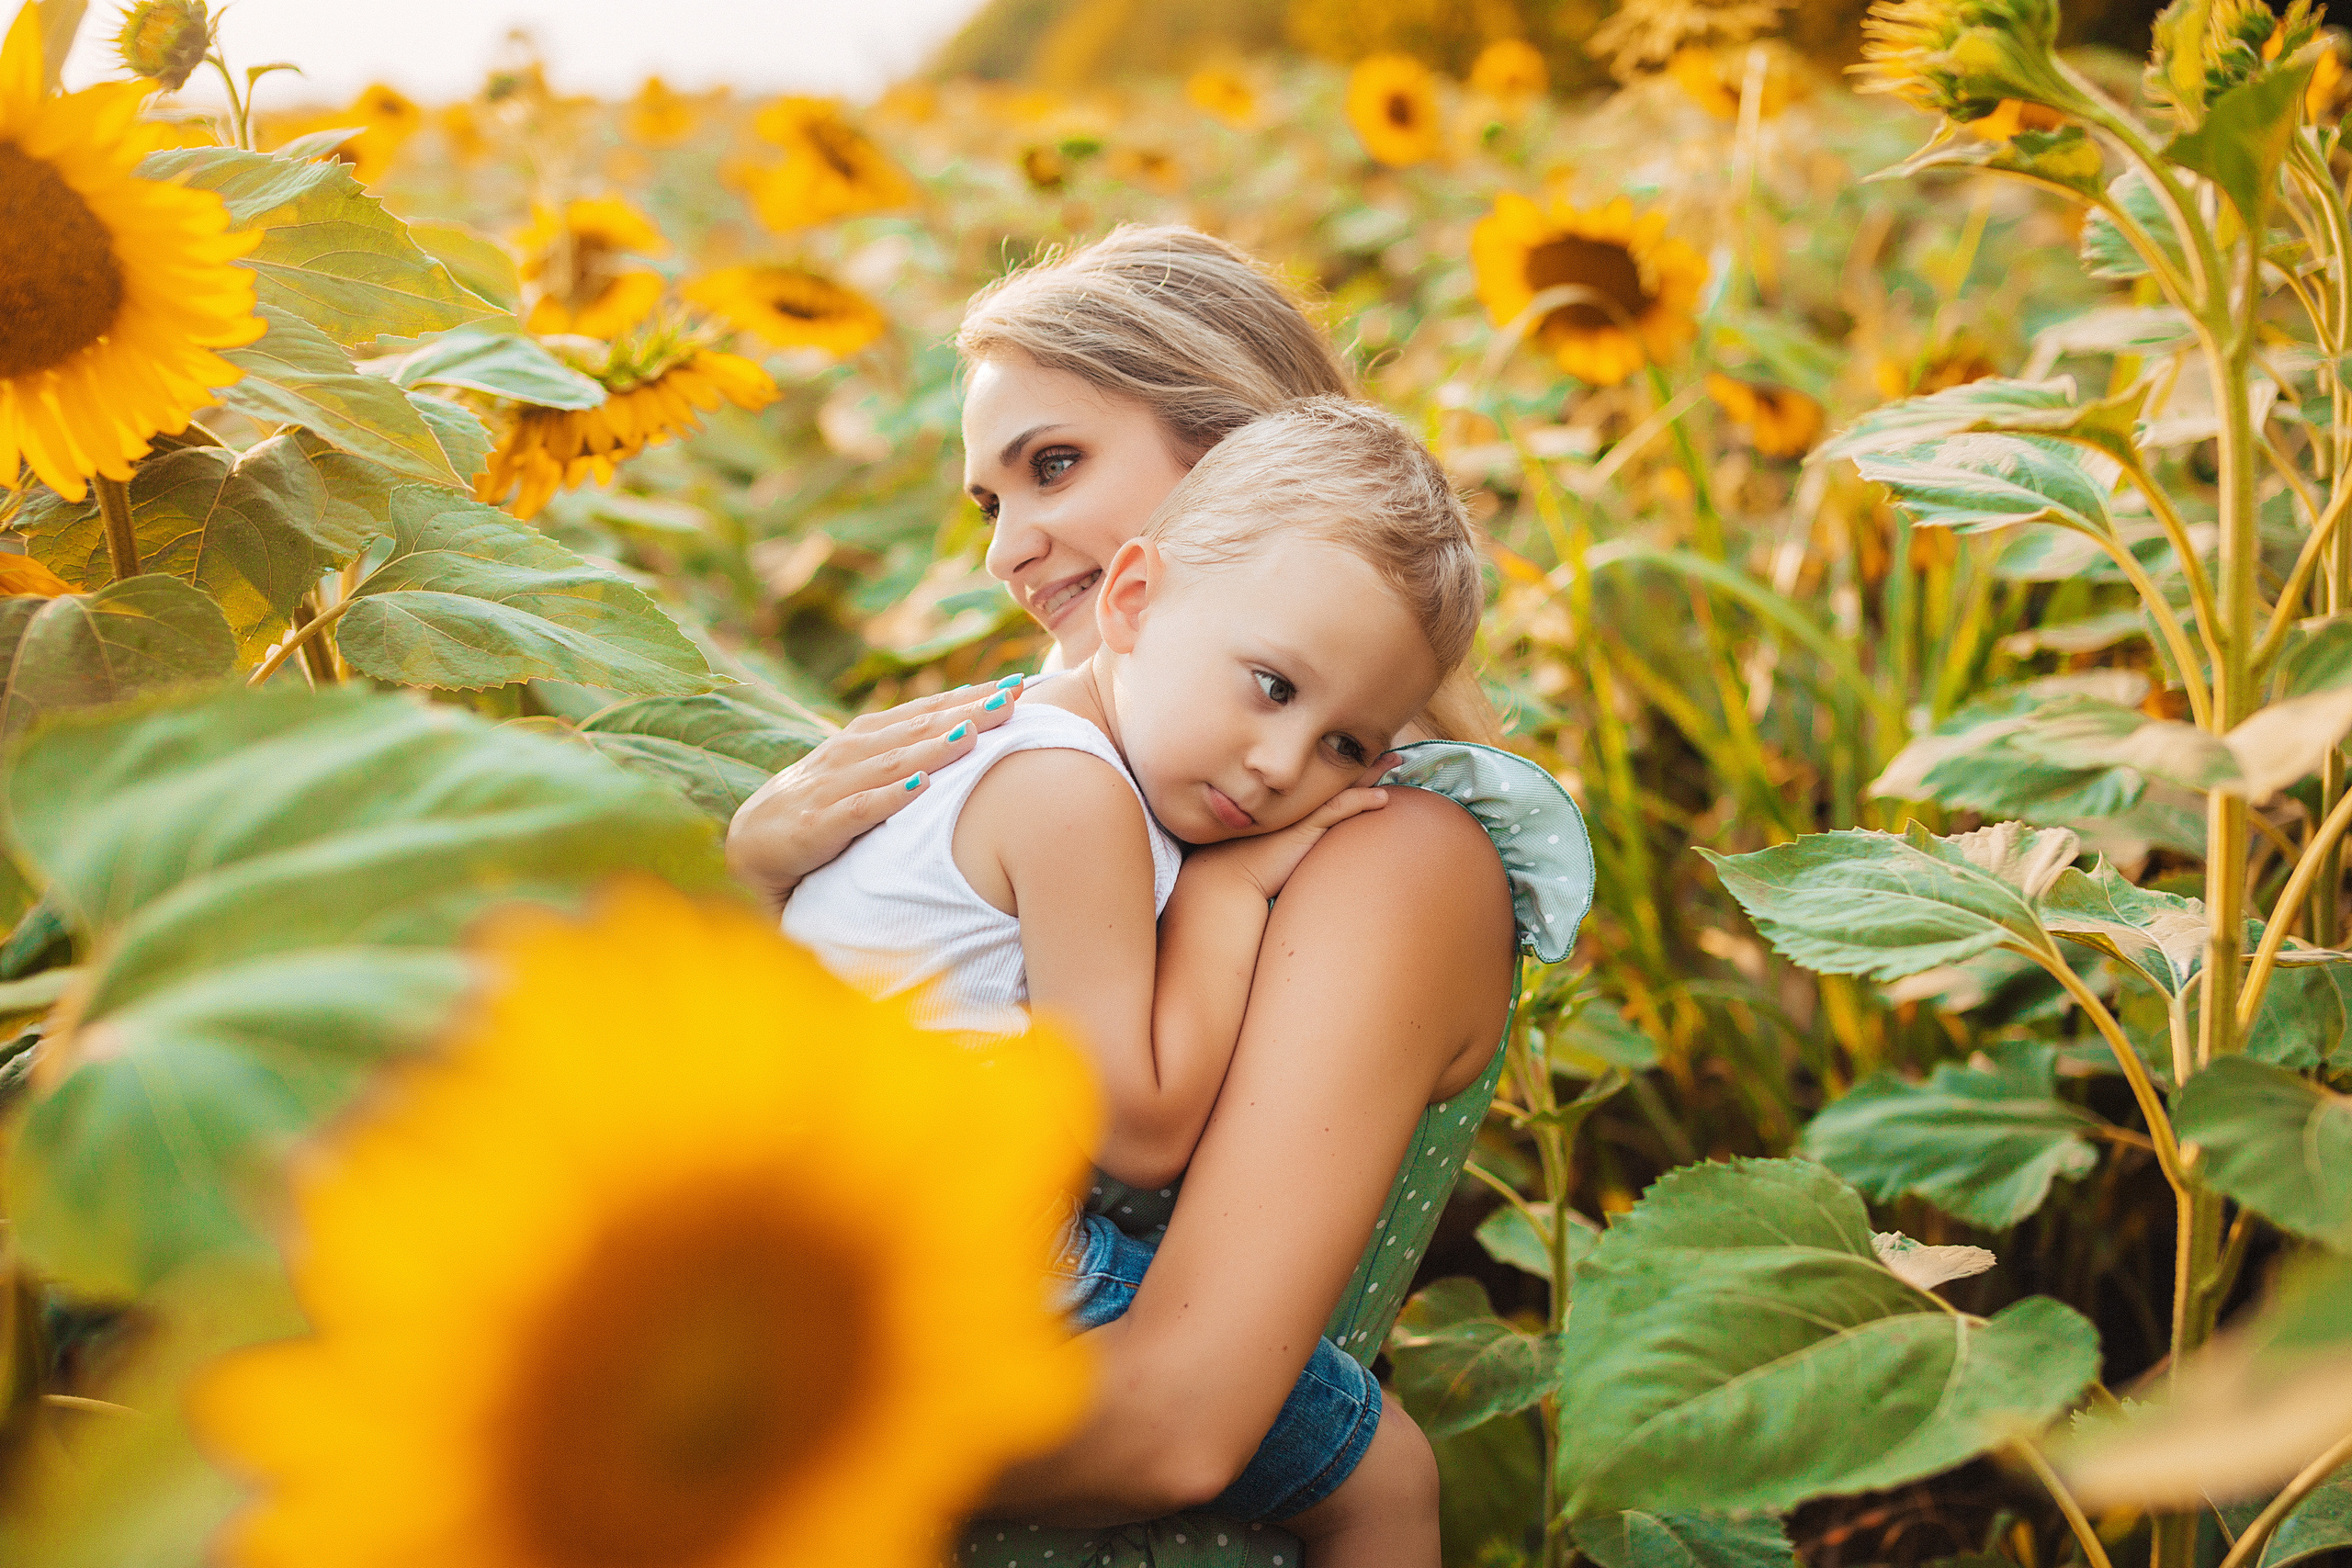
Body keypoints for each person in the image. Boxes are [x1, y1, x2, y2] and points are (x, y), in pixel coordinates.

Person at [728, 227, 1590, 1562]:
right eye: (989, 502)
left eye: (1054, 464)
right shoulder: (1084, 766)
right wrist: (753, 872)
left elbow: (1174, 1420)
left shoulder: (1384, 851)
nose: (1009, 552)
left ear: (1239, 446)